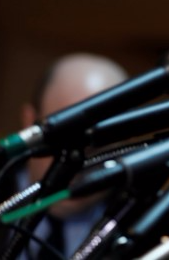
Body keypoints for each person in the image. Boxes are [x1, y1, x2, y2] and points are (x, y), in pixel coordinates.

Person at [8, 53, 127, 259]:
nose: (77, 161)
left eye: (98, 145)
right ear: (29, 122)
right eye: (63, 138)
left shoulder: (138, 219)